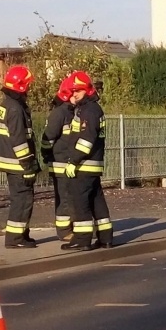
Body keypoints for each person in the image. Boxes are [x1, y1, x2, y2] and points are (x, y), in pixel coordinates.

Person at [62, 71, 113, 251]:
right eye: (72, 91)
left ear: (87, 90)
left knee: (80, 201)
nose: (74, 94)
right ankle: (105, 237)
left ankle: (82, 240)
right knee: (96, 201)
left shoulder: (89, 110)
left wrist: (73, 161)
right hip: (92, 164)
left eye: (78, 91)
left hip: (84, 164)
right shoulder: (90, 108)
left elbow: (86, 140)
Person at [0, 64, 39, 249]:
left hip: (11, 162)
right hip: (18, 164)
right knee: (23, 200)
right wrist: (28, 165)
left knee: (21, 199)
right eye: (27, 85)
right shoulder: (15, 109)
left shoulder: (8, 105)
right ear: (20, 86)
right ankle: (15, 239)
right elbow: (19, 141)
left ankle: (21, 235)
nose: (28, 88)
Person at [40, 76, 76, 241]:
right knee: (64, 198)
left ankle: (73, 227)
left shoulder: (70, 112)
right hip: (60, 163)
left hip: (68, 163)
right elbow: (48, 139)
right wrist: (47, 155)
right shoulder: (60, 113)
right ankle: (64, 232)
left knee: (71, 197)